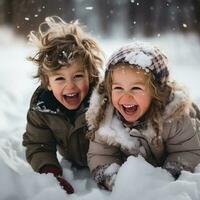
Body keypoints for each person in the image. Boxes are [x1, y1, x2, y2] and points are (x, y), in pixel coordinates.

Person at [86, 41, 200, 191]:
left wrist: (167, 178)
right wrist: (114, 180)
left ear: (155, 92)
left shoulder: (174, 116)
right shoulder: (106, 118)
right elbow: (101, 154)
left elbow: (186, 151)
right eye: (118, 88)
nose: (126, 97)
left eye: (136, 88)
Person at [22, 16, 103, 194]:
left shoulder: (103, 101)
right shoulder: (42, 109)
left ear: (90, 75)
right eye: (60, 78)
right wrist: (50, 172)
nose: (70, 86)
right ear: (47, 83)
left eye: (78, 76)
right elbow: (38, 144)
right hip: (74, 162)